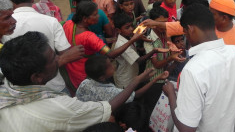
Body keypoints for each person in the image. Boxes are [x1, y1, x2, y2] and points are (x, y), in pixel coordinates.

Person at [0, 31, 155, 131]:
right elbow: (106, 108)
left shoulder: (7, 86)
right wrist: (136, 81)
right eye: (54, 58)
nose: (59, 59)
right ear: (37, 77)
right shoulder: (60, 108)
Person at [162, 3, 235, 132]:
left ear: (190, 29)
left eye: (185, 33)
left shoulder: (194, 69)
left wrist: (171, 94)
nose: (186, 39)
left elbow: (186, 128)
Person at [4, 0, 85, 94]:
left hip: (19, 92)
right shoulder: (51, 22)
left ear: (11, 2)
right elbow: (66, 54)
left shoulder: (5, 26)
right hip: (54, 86)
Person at [62, 1, 144, 92]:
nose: (99, 16)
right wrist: (133, 40)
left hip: (71, 68)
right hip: (84, 73)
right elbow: (111, 54)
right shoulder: (89, 37)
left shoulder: (69, 24)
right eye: (95, 14)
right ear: (85, 18)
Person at [143, 6, 185, 116]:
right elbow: (156, 64)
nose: (163, 26)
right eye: (160, 23)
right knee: (151, 109)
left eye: (165, 22)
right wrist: (171, 57)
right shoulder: (149, 39)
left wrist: (175, 59)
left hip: (164, 77)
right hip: (153, 80)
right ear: (152, 23)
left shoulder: (165, 34)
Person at [76, 54, 169, 102]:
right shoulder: (109, 92)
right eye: (109, 66)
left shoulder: (85, 83)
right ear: (101, 77)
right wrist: (155, 80)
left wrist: (143, 79)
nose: (113, 66)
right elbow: (135, 95)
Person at [112, 13, 168, 89]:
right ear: (118, 30)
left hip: (132, 75)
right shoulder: (121, 44)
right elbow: (138, 60)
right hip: (126, 80)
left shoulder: (128, 37)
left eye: (132, 26)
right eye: (127, 27)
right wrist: (153, 51)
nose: (131, 29)